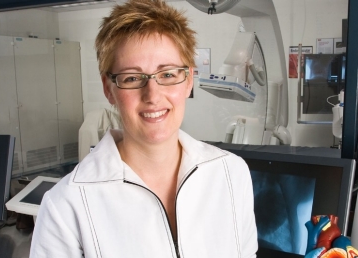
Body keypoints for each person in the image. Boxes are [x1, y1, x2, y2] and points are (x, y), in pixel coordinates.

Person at [30, 0, 258, 257]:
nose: (153, 94)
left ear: (188, 81)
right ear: (109, 89)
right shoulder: (65, 206)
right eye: (132, 78)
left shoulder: (230, 173)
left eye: (168, 74)